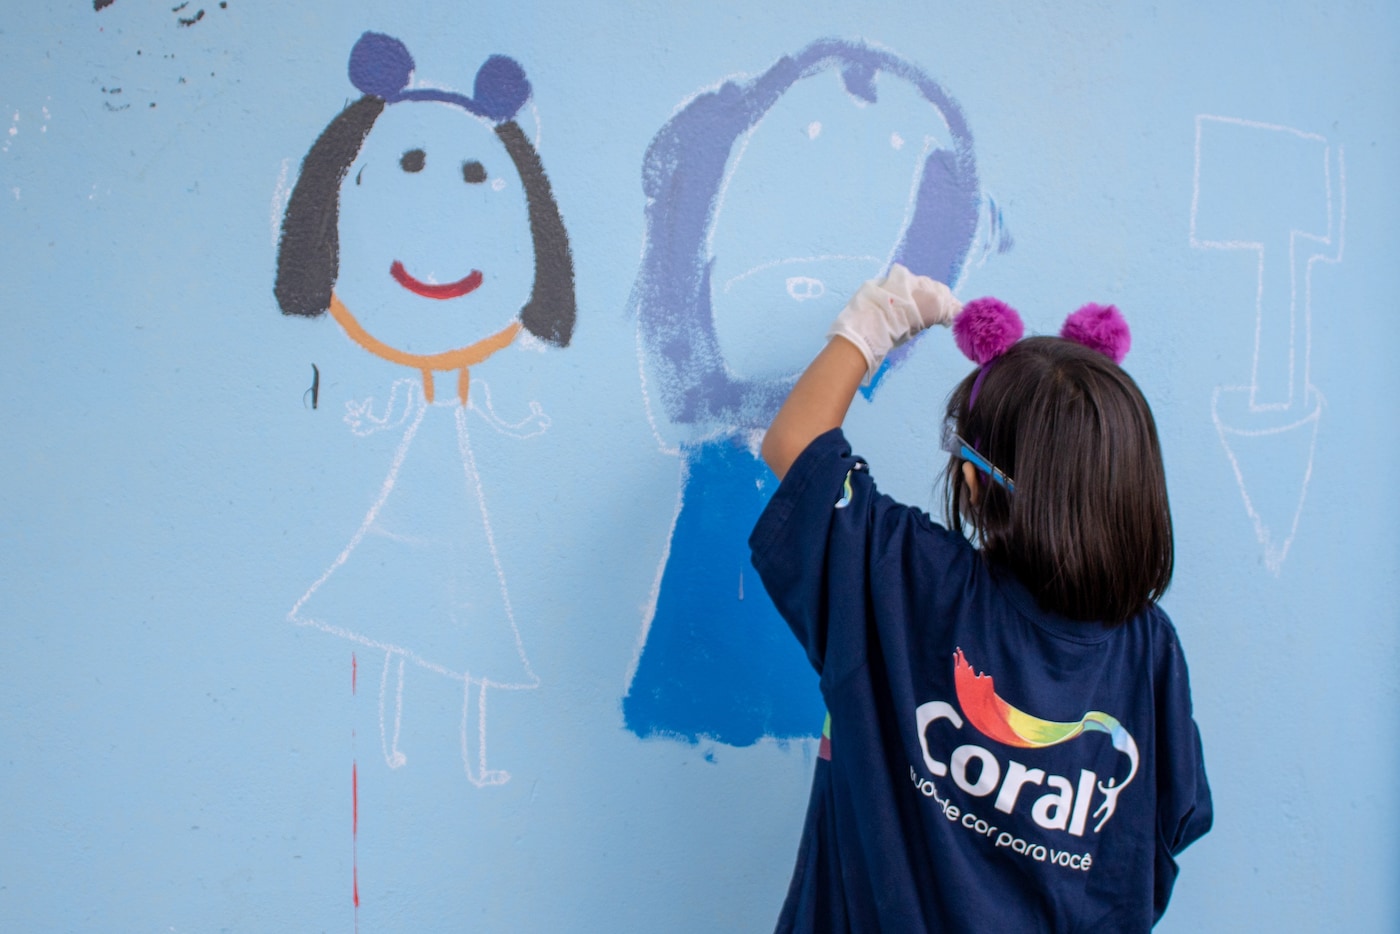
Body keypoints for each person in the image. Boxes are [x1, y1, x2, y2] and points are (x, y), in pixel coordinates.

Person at [749, 265, 1212, 931]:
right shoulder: (1150, 649)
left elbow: (796, 445)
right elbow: (1167, 827)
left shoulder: (906, 579)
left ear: (972, 481)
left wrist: (873, 324)